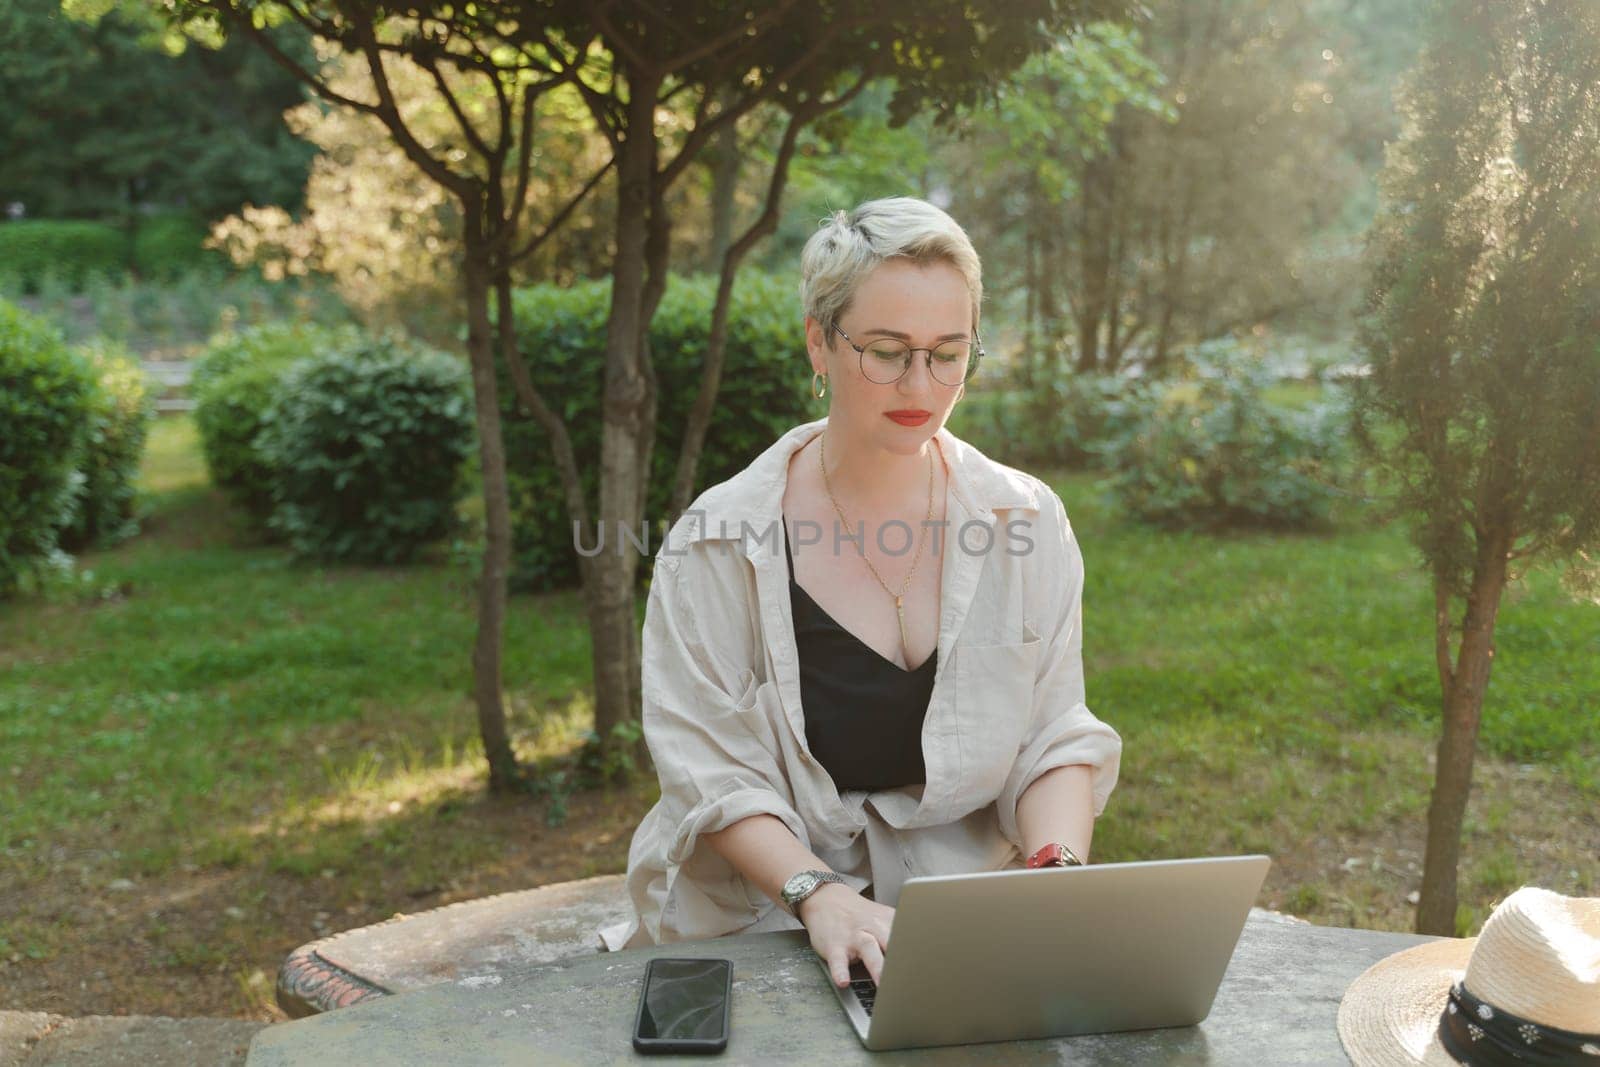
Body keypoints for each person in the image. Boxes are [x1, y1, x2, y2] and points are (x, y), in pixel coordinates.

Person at [596, 196, 1122, 991]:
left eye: (949, 352)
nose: (922, 383)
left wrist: (1056, 873)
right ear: (819, 340)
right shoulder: (716, 542)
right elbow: (710, 770)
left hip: (961, 915)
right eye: (886, 350)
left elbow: (1053, 733)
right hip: (761, 914)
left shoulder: (1028, 519)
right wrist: (822, 897)